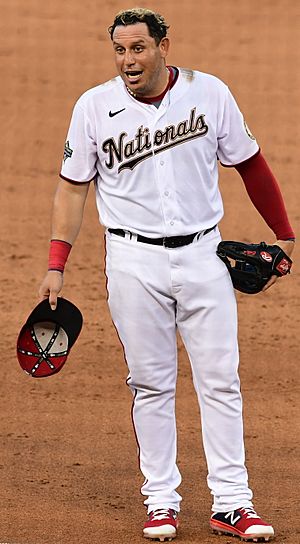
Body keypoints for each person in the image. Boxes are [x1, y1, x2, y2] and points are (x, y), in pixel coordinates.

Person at [39, 7, 295, 542]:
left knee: (221, 382)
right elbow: (72, 187)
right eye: (119, 50)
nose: (128, 60)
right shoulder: (93, 107)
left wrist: (284, 234)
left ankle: (232, 503)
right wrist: (56, 264)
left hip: (205, 256)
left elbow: (250, 163)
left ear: (163, 47)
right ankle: (161, 501)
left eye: (138, 48)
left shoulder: (210, 93)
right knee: (151, 385)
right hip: (133, 264)